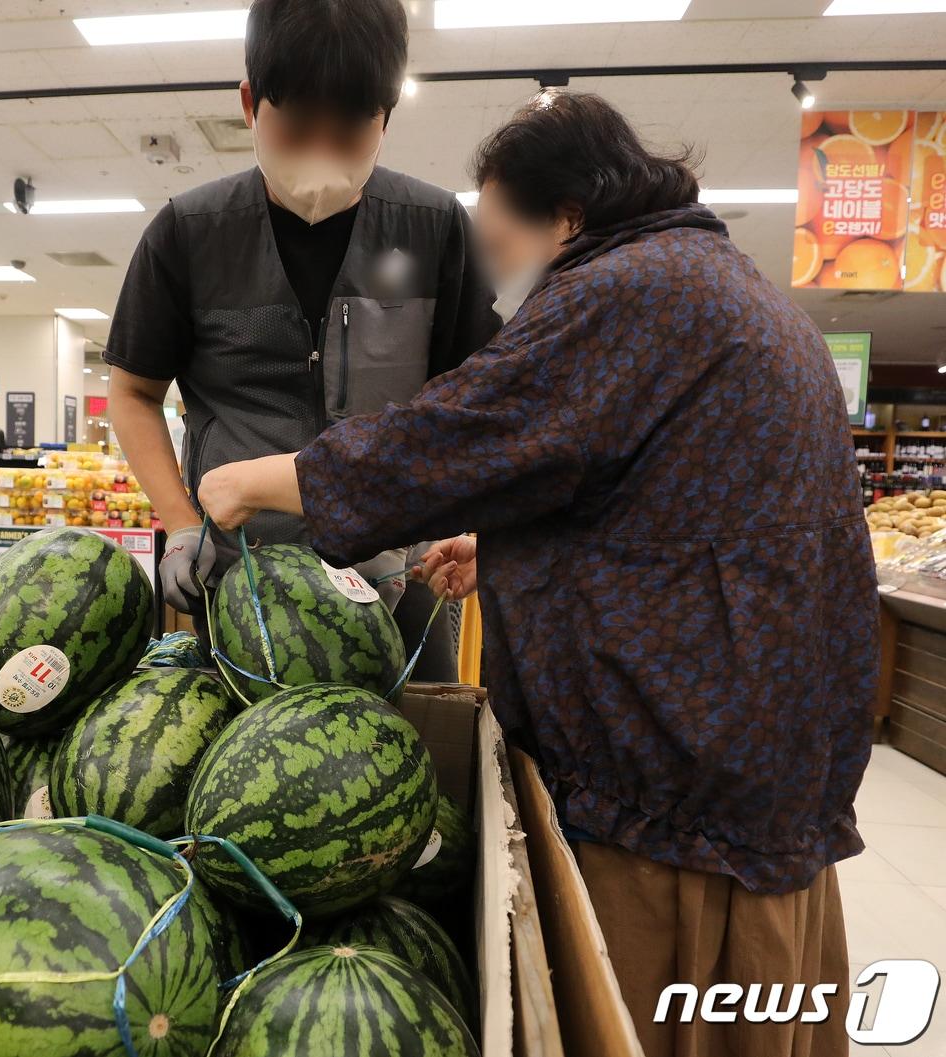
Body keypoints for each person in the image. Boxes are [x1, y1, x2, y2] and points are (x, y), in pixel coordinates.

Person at [196, 91, 876, 1057]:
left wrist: (252, 481)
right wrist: (509, 547)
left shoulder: (627, 291)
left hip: (683, 792)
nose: (498, 271)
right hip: (765, 757)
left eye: (500, 239)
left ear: (565, 217)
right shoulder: (719, 282)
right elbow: (659, 496)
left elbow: (451, 435)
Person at [105, 0, 498, 679]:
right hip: (240, 580)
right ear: (251, 102)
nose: (322, 153)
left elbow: (479, 401)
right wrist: (181, 525)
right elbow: (134, 392)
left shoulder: (433, 229)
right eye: (296, 127)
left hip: (402, 580)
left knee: (421, 762)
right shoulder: (189, 235)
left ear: (386, 117)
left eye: (349, 132)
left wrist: (471, 520)